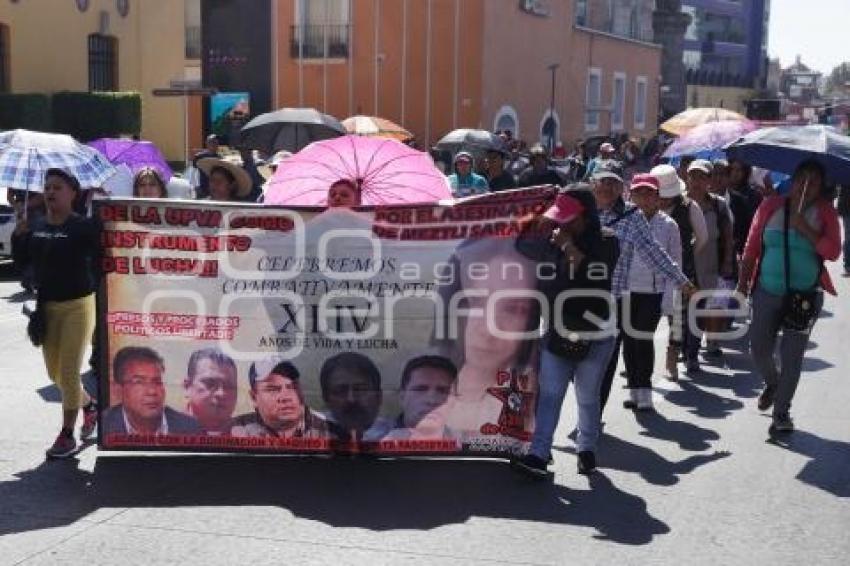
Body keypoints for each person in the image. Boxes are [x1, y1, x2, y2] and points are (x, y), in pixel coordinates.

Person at [512, 185, 619, 477]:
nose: (563, 223)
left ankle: (586, 450)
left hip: (596, 335)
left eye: (568, 217)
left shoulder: (608, 241)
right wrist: (539, 217)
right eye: (560, 217)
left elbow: (595, 277)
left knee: (587, 396)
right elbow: (522, 246)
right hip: (558, 331)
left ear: (586, 216)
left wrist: (568, 247)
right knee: (549, 394)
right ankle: (539, 453)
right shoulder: (552, 239)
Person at [737, 160, 840, 433]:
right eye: (802, 178)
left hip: (805, 296)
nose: (807, 185)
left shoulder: (825, 212)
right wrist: (742, 283)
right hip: (767, 289)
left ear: (821, 187)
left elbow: (833, 252)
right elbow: (751, 248)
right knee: (758, 349)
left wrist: (804, 227)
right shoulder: (771, 205)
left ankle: (781, 413)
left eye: (814, 181)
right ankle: (773, 382)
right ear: (792, 180)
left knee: (792, 356)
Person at [11, 169, 102, 458]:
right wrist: (19, 236)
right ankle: (90, 406)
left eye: (58, 187)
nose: (51, 192)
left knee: (69, 371)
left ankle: (67, 435)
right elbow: (22, 264)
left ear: (73, 193)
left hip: (79, 305)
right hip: (47, 307)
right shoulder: (35, 225)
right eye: (47, 187)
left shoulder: (84, 227)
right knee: (56, 375)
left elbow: (102, 261)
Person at [593, 163, 696, 411]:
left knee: (625, 347)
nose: (607, 187)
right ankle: (592, 409)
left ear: (620, 188)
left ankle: (596, 413)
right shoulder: (583, 211)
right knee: (586, 357)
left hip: (627, 297)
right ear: (593, 185)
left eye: (612, 182)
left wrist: (681, 281)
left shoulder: (635, 218)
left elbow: (655, 253)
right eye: (602, 181)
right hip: (584, 297)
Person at [434, 236, 540, 434]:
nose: (489, 328)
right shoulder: (419, 388)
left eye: (514, 309)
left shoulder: (529, 392)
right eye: (475, 301)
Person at [621, 174, 682, 411]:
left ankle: (644, 388)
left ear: (658, 197)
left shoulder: (668, 226)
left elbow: (674, 262)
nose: (643, 198)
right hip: (626, 291)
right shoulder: (625, 220)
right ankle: (634, 389)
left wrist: (669, 299)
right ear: (631, 196)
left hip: (653, 293)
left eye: (649, 193)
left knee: (642, 339)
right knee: (628, 340)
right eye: (639, 193)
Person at [652, 164, 709, 381]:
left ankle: (673, 356)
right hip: (649, 274)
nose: (662, 200)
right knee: (645, 319)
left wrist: (685, 257)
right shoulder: (645, 207)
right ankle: (638, 361)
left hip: (679, 273)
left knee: (677, 319)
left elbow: (702, 238)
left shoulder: (689, 207)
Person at [686, 159, 735, 366]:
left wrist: (727, 262)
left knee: (701, 310)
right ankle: (684, 348)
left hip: (710, 265)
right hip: (685, 265)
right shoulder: (680, 203)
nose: (697, 181)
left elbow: (727, 236)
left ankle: (692, 354)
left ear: (709, 180)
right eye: (693, 176)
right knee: (681, 311)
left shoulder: (718, 204)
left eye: (702, 176)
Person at [102, 346, 202, 436]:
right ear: (118, 389)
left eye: (157, 382)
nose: (152, 391)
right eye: (139, 382)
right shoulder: (103, 425)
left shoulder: (191, 428)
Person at [231, 358, 328, 438]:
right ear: (254, 398)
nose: (286, 397)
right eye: (273, 389)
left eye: (292, 387)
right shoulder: (232, 430)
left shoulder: (330, 432)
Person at [319, 352, 392, 442]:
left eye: (360, 390)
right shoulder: (310, 436)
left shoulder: (398, 435)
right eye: (341, 391)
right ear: (326, 399)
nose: (351, 399)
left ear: (379, 396)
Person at [383, 356, 458, 441]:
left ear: (454, 400)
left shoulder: (466, 442)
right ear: (402, 396)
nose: (432, 401)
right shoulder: (371, 439)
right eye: (420, 389)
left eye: (443, 391)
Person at [183, 348, 238, 435]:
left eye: (229, 386)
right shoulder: (163, 431)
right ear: (187, 387)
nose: (221, 393)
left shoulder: (249, 437)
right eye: (210, 384)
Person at [7, 188, 45, 293]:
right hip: (22, 214)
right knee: (21, 245)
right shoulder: (17, 178)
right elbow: (9, 196)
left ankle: (33, 278)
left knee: (34, 246)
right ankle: (28, 277)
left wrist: (24, 206)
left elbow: (41, 197)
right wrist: (17, 206)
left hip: (37, 213)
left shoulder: (40, 177)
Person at [192, 134, 221, 199]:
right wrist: (196, 186)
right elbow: (194, 172)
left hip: (215, 189)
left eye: (216, 142)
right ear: (207, 144)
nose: (214, 144)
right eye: (212, 142)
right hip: (202, 188)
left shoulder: (219, 158)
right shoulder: (199, 157)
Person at [838, 184, 850, 276]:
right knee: (848, 237)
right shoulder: (845, 174)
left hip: (846, 208)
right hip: (847, 208)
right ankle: (848, 265)